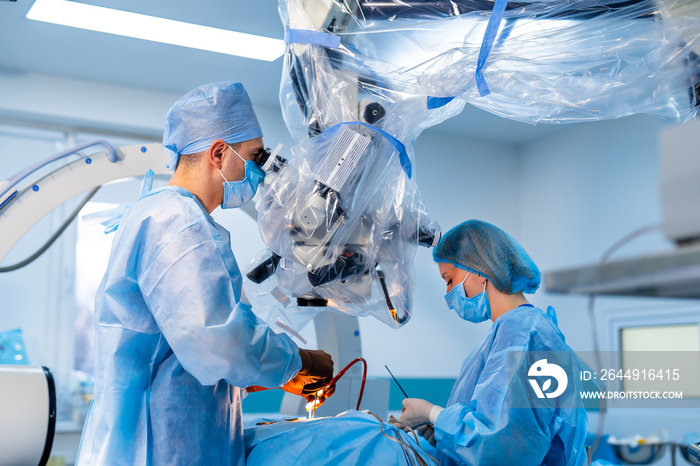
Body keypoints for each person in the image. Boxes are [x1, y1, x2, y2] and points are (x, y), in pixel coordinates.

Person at [76, 81, 334, 465]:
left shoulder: (165, 216)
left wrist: (273, 376)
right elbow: (219, 341)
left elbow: (183, 353)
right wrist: (300, 361)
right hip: (158, 448)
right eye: (254, 156)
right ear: (218, 153)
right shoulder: (176, 221)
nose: (261, 172)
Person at [390, 220, 588, 466]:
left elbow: (503, 447)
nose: (448, 293)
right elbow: (492, 426)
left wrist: (431, 412)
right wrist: (441, 433)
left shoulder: (524, 335)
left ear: (479, 270)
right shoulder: (505, 335)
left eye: (449, 280)